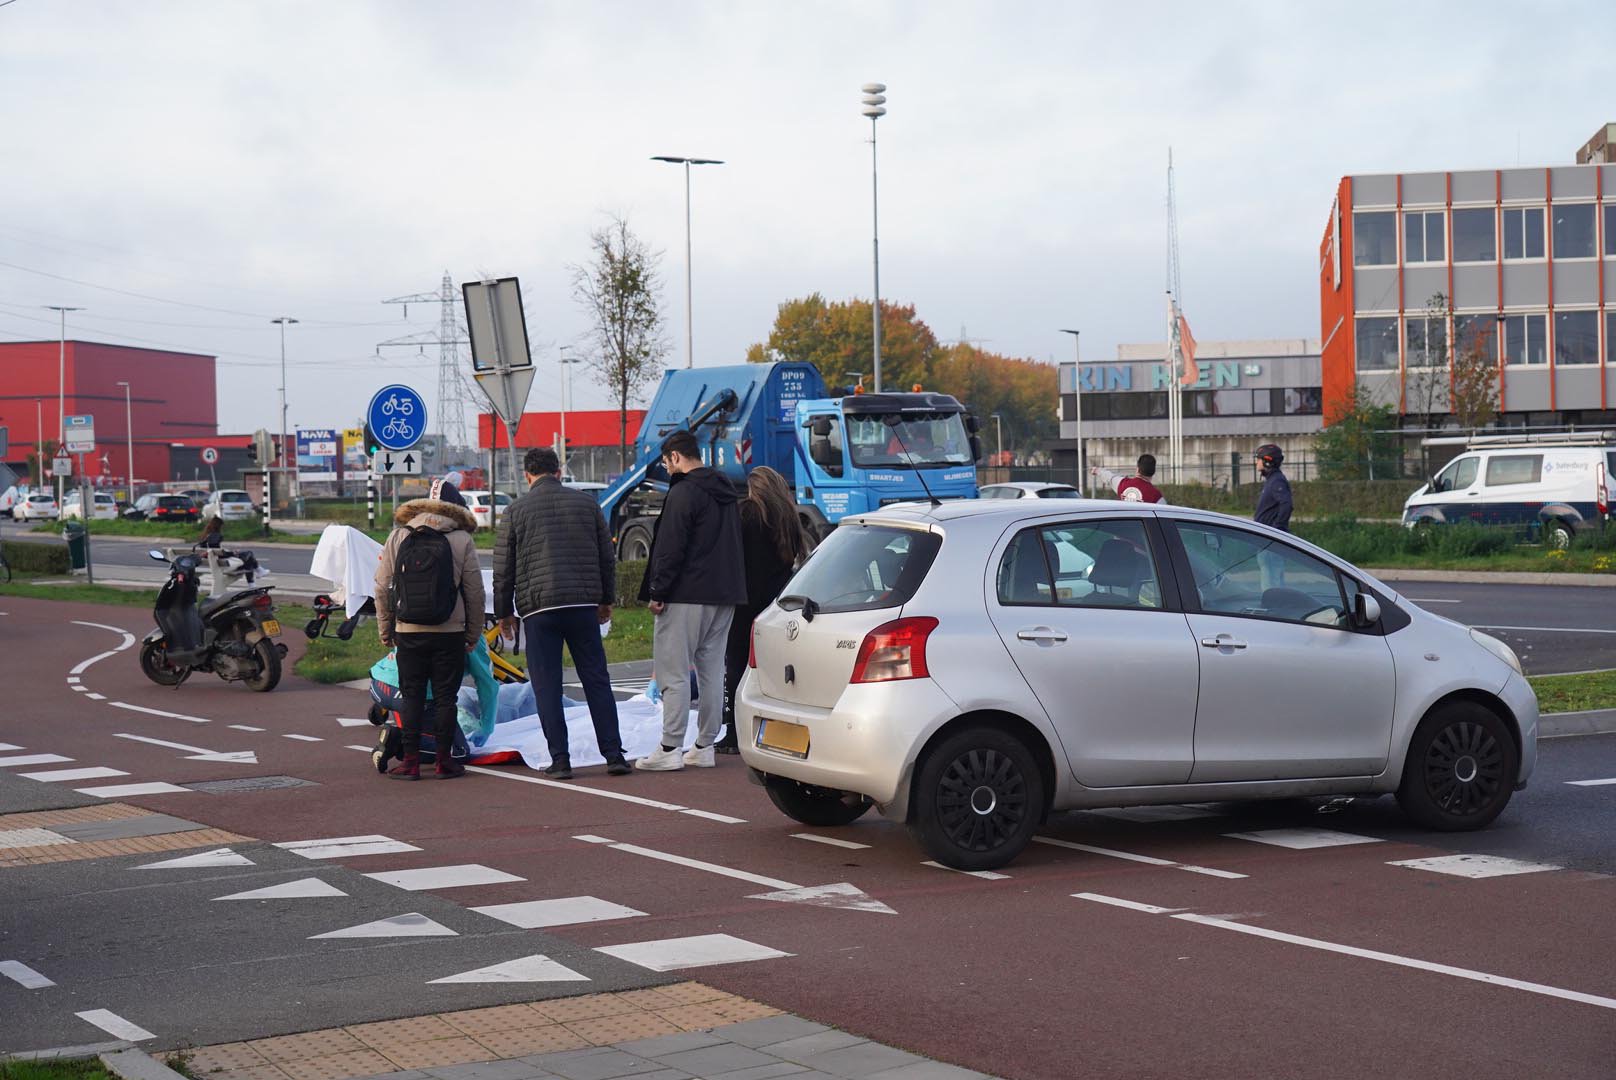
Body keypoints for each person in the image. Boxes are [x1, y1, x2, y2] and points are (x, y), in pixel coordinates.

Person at [493, 447, 629, 779]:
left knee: (547, 686)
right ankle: (613, 754)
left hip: (539, 609)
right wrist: (605, 599)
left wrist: (503, 613)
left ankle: (561, 759)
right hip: (583, 605)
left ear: (527, 476)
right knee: (596, 679)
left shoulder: (515, 511)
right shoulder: (587, 504)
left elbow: (503, 568)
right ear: (558, 471)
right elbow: (605, 557)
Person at [635, 430, 746, 771]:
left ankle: (670, 746)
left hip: (686, 594)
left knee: (674, 671)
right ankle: (704, 745)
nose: (666, 469)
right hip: (724, 594)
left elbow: (670, 546)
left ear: (676, 457)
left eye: (667, 462)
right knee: (713, 671)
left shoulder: (683, 492)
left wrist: (658, 591)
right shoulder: (726, 490)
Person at [373, 492, 485, 781]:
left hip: (408, 631)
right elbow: (474, 591)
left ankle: (410, 762)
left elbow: (383, 586)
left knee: (412, 696)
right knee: (447, 699)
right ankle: (443, 761)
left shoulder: (399, 536)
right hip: (450, 632)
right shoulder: (461, 538)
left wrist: (386, 629)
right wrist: (473, 633)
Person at [717, 466, 809, 754]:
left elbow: (729, 554)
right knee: (772, 664)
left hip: (744, 598)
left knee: (735, 663)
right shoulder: (788, 519)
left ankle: (732, 732)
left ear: (753, 488)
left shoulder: (745, 514)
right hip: (776, 602)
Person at [1091, 455, 1168, 504]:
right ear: (1153, 472)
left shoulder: (1122, 483)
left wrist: (1097, 470)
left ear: (1137, 469)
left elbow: (1109, 477)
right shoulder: (1156, 496)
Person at [1253, 444, 1293, 531]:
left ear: (1267, 462)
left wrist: (1277, 528)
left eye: (1259, 459)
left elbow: (1286, 504)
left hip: (1269, 536)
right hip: (1263, 533)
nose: (1256, 462)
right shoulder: (1271, 480)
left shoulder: (1276, 481)